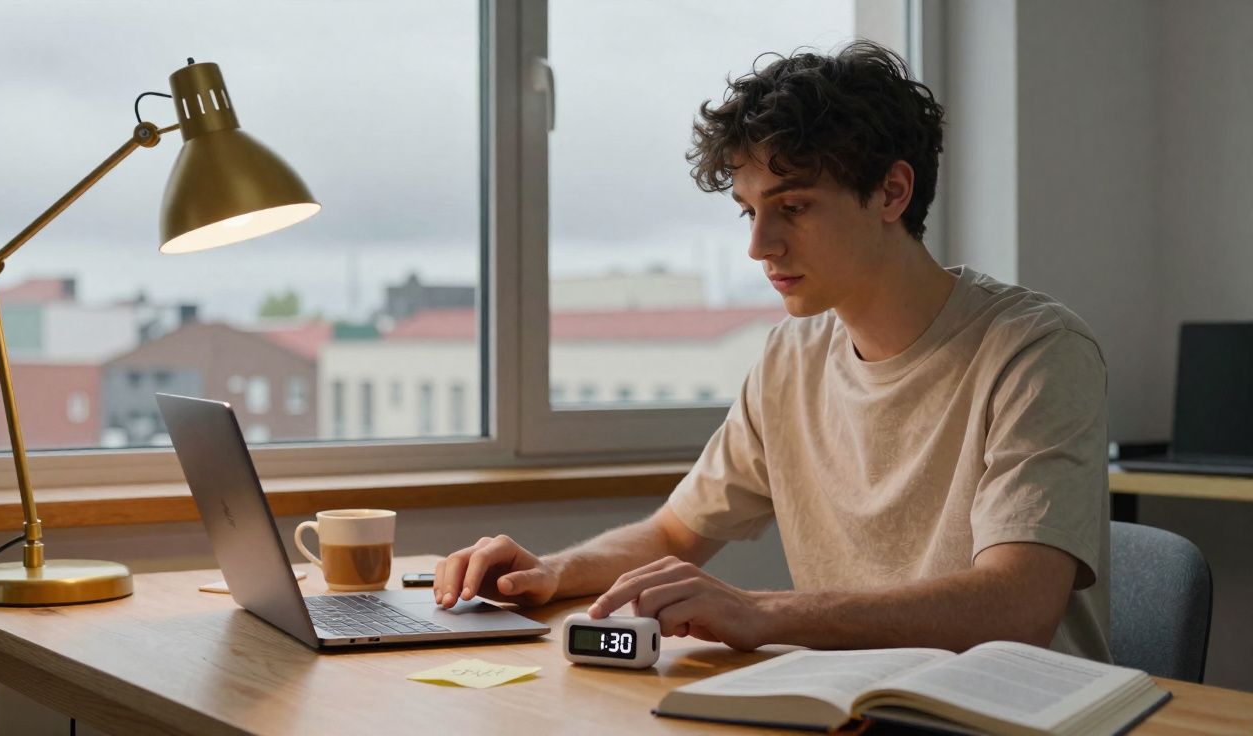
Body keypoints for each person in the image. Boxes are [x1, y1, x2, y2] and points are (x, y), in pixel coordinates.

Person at [433, 40, 1110, 661]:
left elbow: (1017, 606)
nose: (759, 245)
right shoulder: (791, 360)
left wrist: (763, 611)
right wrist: (552, 571)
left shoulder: (1037, 353)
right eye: (748, 210)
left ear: (892, 192)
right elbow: (674, 535)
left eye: (794, 207)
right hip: (856, 710)